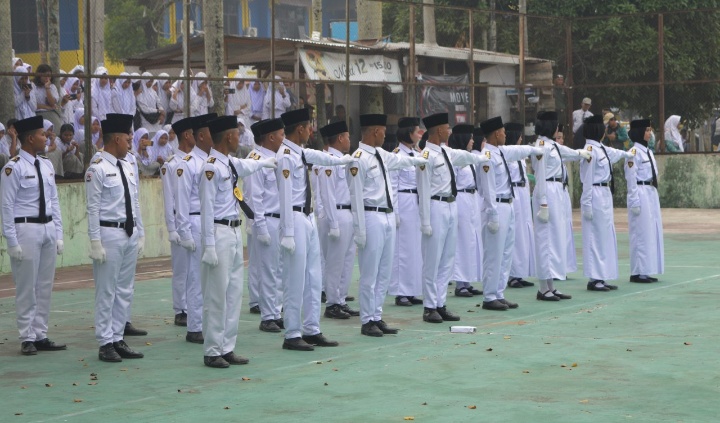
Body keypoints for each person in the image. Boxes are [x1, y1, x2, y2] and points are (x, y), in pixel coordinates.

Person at [199, 115, 276, 368]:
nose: (239, 138)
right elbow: (207, 209)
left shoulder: (230, 163)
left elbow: (249, 166)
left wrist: (270, 161)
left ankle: (227, 347)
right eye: (236, 134)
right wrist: (208, 245)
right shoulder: (210, 167)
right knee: (216, 295)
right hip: (218, 233)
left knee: (233, 294)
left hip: (233, 232)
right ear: (228, 136)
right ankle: (212, 349)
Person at [276, 108, 351, 350]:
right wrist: (287, 232)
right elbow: (286, 196)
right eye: (309, 127)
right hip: (294, 219)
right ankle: (292, 333)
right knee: (295, 278)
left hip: (307, 218)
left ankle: (311, 328)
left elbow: (323, 157)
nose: (311, 131)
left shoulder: (300, 153)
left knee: (312, 276)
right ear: (300, 129)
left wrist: (347, 159)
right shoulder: (286, 155)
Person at [347, 114, 427, 336]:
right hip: (371, 217)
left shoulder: (381, 155)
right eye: (383, 131)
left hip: (387, 216)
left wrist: (422, 158)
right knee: (369, 272)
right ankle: (366, 320)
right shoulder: (358, 158)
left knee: (384, 271)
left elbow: (403, 161)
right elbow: (355, 198)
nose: (386, 135)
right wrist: (359, 230)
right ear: (375, 131)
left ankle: (377, 315)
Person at [1, 115, 66, 356]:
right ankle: (27, 336)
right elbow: (6, 207)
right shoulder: (13, 167)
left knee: (45, 285)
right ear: (30, 138)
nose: (46, 137)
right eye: (42, 134)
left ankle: (40, 334)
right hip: (26, 229)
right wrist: (11, 240)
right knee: (27, 286)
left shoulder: (47, 165)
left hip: (47, 227)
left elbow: (54, 202)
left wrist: (58, 233)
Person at [416, 113, 490, 322]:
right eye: (447, 128)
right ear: (439, 130)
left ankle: (440, 303)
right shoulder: (426, 156)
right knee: (432, 260)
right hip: (435, 206)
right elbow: (422, 190)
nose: (449, 131)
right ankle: (429, 306)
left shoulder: (446, 152)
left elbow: (466, 157)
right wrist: (425, 221)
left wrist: (482, 157)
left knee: (447, 258)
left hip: (450, 205)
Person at [85, 113, 146, 362]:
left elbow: (136, 202)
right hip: (109, 234)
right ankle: (105, 341)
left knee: (124, 289)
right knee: (106, 290)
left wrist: (140, 232)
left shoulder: (127, 166)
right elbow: (92, 208)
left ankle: (118, 336)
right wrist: (95, 241)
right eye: (127, 139)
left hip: (128, 232)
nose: (130, 142)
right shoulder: (97, 168)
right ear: (116, 139)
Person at [477, 116, 543, 311]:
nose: (506, 135)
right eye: (504, 132)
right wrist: (493, 214)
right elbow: (488, 188)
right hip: (496, 207)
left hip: (508, 204)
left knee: (506, 253)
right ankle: (489, 296)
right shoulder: (487, 156)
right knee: (494, 254)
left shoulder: (501, 152)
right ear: (497, 133)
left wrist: (534, 149)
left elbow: (518, 150)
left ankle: (499, 292)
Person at [532, 112, 590, 300]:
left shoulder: (552, 145)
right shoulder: (541, 146)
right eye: (556, 125)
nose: (558, 129)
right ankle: (543, 288)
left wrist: (581, 153)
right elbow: (540, 175)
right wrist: (543, 203)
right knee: (545, 240)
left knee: (555, 238)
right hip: (547, 191)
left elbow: (568, 153)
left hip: (556, 191)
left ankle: (551, 285)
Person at [580, 114, 635, 291]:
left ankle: (601, 276)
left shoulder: (601, 149)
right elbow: (587, 180)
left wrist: (629, 153)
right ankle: (594, 278)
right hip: (594, 194)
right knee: (595, 236)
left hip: (604, 193)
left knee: (604, 236)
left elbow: (616, 153)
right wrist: (586, 204)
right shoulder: (589, 149)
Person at [175, 113, 217, 344]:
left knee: (210, 278)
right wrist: (184, 231)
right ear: (201, 136)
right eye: (211, 133)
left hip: (210, 222)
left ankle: (206, 322)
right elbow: (180, 201)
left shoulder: (212, 161)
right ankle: (194, 327)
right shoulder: (188, 163)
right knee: (195, 277)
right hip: (194, 221)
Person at [244, 118, 286, 333]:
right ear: (270, 137)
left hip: (279, 219)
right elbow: (254, 197)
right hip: (266, 220)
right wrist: (259, 227)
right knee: (268, 270)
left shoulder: (277, 157)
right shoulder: (256, 159)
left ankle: (276, 312)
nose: (283, 138)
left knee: (278, 270)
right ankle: (268, 316)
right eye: (281, 134)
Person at [316, 121, 360, 320]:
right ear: (340, 138)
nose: (349, 141)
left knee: (347, 261)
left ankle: (341, 299)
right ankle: (332, 303)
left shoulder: (343, 160)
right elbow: (327, 195)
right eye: (348, 137)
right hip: (336, 214)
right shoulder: (328, 160)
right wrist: (333, 223)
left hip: (347, 213)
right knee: (335, 262)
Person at [161, 117, 195, 327]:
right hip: (180, 222)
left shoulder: (196, 161)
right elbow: (168, 198)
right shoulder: (171, 165)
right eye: (192, 133)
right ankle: (180, 309)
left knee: (195, 269)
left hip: (195, 221)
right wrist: (172, 228)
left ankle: (192, 306)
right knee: (182, 268)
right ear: (186, 135)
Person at [389, 117, 425, 307]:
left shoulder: (414, 154)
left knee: (413, 248)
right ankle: (401, 292)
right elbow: (393, 185)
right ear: (408, 133)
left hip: (414, 201)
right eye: (417, 131)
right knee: (402, 248)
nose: (419, 135)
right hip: (403, 201)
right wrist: (395, 211)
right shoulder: (397, 155)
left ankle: (411, 289)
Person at [446, 124, 484, 298]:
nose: (472, 141)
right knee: (461, 242)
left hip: (471, 199)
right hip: (461, 199)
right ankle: (460, 283)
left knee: (471, 240)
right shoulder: (455, 159)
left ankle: (467, 281)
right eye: (469, 138)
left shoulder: (468, 158)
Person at [625, 119, 664, 283]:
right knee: (640, 233)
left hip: (650, 192)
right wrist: (634, 201)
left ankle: (646, 269)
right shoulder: (633, 153)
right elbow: (631, 178)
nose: (650, 133)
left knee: (650, 232)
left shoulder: (647, 151)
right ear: (639, 132)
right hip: (640, 192)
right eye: (647, 130)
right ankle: (637, 272)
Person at [503, 122, 536, 289]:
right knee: (514, 233)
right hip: (513, 191)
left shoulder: (521, 155)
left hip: (523, 193)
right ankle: (512, 274)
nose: (521, 138)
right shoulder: (507, 155)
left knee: (524, 232)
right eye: (519, 136)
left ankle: (520, 272)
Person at [554, 127, 577, 274]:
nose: (561, 141)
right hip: (555, 193)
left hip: (563, 191)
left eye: (562, 138)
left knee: (566, 228)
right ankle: (557, 267)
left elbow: (573, 155)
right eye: (558, 138)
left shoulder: (561, 156)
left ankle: (565, 265)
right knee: (557, 229)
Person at [33, 64, 62, 130]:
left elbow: (52, 103)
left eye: (49, 76)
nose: (47, 78)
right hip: (38, 114)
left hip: (51, 113)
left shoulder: (52, 87)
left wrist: (47, 88)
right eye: (45, 75)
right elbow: (34, 104)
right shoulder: (34, 86)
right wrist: (47, 107)